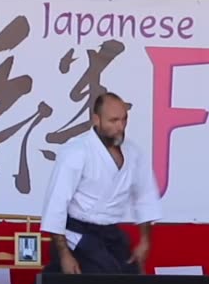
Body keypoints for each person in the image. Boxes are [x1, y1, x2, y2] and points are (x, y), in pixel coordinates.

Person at [39, 91, 162, 274]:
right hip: (77, 232)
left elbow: (145, 197)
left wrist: (145, 241)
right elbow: (56, 204)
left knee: (132, 274)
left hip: (110, 233)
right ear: (97, 120)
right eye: (113, 121)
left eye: (124, 119)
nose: (120, 126)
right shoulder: (76, 151)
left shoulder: (134, 153)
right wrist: (64, 254)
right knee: (102, 273)